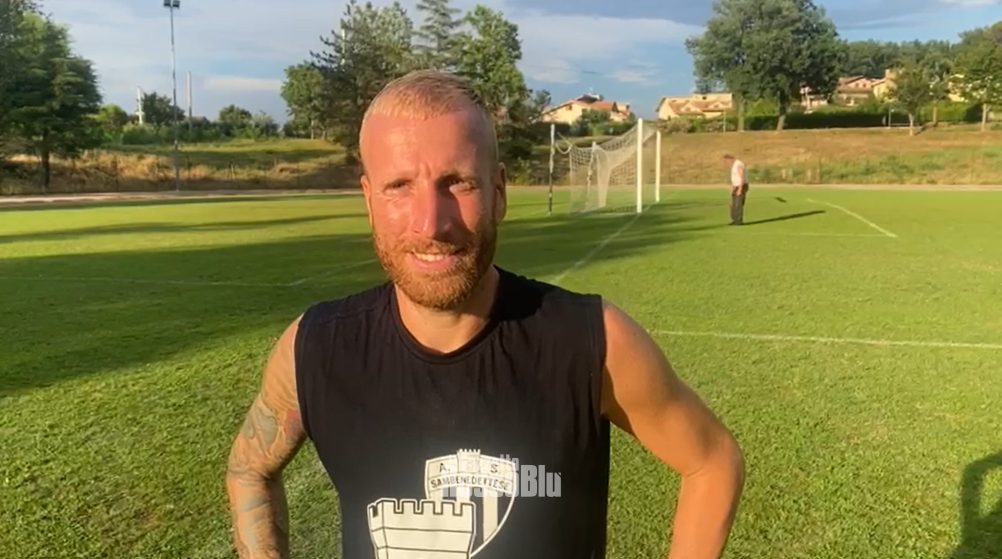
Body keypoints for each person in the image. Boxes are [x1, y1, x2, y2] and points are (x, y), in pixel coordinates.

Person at [225, 69, 745, 559]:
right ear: (369, 199)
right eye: (399, 186)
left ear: (498, 193)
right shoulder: (314, 348)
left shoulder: (591, 342)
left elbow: (712, 461)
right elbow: (249, 470)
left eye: (458, 183)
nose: (431, 223)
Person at [724, 154, 749, 225]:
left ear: (730, 159)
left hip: (741, 185)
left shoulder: (738, 164)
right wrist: (732, 186)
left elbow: (741, 177)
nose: (726, 163)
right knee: (733, 204)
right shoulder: (734, 166)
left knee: (738, 204)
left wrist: (740, 188)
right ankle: (734, 219)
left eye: (726, 161)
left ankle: (738, 221)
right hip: (736, 186)